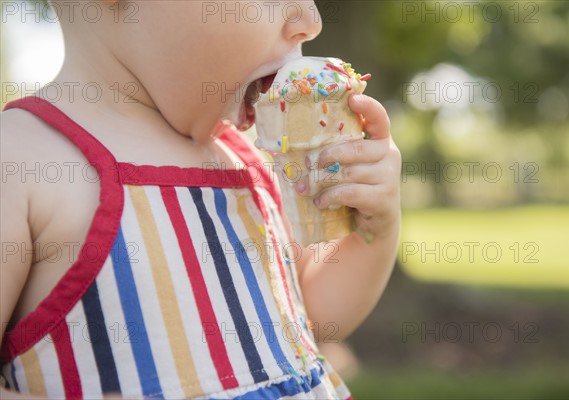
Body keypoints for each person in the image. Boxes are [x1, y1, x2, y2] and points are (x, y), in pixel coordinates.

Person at [0, 0, 401, 398]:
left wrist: (373, 234)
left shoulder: (248, 158)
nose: (311, 20)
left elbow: (311, 316)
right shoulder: (21, 160)